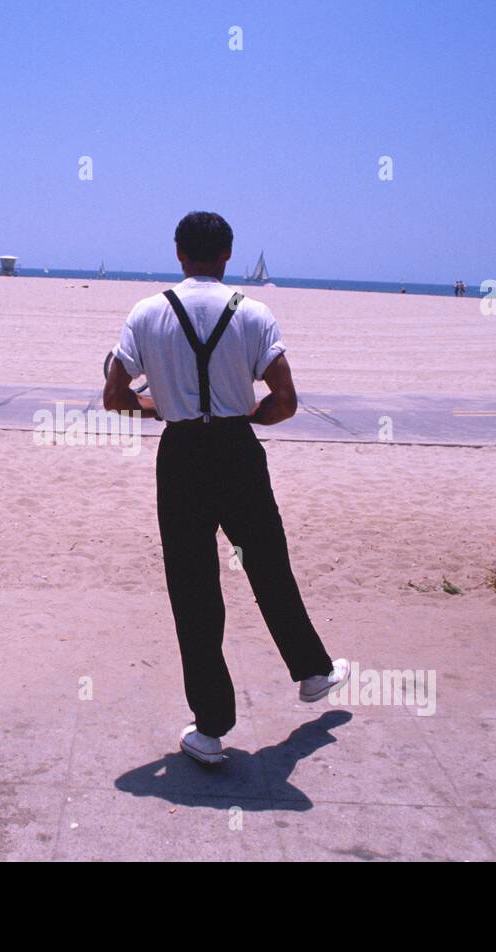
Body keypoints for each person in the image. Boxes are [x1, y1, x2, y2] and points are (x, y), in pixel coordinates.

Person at [104, 211, 348, 765]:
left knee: (193, 590)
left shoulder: (147, 313)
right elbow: (285, 401)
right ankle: (312, 673)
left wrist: (161, 403)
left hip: (182, 454)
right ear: (228, 255)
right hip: (238, 453)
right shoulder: (254, 312)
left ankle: (211, 729)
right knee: (267, 564)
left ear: (178, 253)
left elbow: (114, 397)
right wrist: (247, 417)